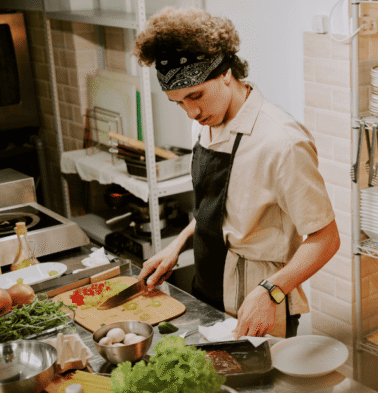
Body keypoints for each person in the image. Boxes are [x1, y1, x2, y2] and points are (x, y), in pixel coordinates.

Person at [132, 7, 340, 339]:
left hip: (257, 300)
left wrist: (272, 291)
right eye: (179, 103)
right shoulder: (207, 125)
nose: (192, 112)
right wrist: (177, 246)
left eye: (196, 96)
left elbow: (326, 239)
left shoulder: (281, 142)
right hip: (208, 284)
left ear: (226, 72)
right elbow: (219, 208)